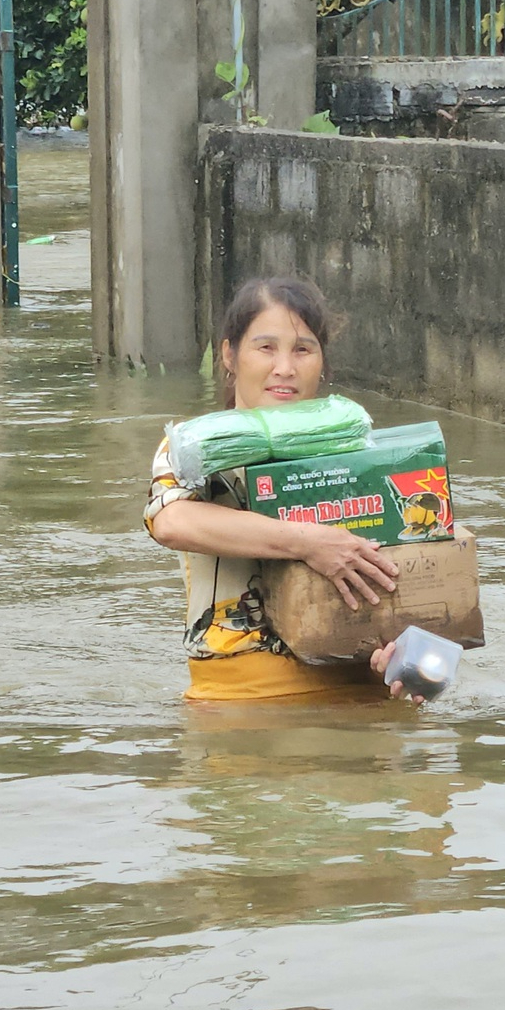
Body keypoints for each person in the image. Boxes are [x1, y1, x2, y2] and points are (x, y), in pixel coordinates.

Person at [145, 276, 418, 703]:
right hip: (241, 703)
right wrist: (309, 543)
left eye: (303, 349)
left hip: (360, 694)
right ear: (229, 355)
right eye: (266, 347)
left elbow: (420, 566)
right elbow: (171, 521)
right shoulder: (195, 449)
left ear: (322, 362)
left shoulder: (359, 454)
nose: (285, 368)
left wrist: (410, 662)